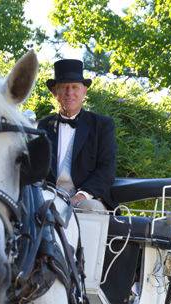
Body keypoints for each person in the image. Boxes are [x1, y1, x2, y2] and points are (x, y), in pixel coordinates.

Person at [38, 59, 117, 211]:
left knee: (89, 208)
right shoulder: (43, 126)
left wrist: (80, 196)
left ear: (84, 91)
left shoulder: (102, 125)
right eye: (64, 87)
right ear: (55, 93)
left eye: (75, 87)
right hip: (49, 195)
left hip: (87, 198)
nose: (70, 93)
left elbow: (106, 169)